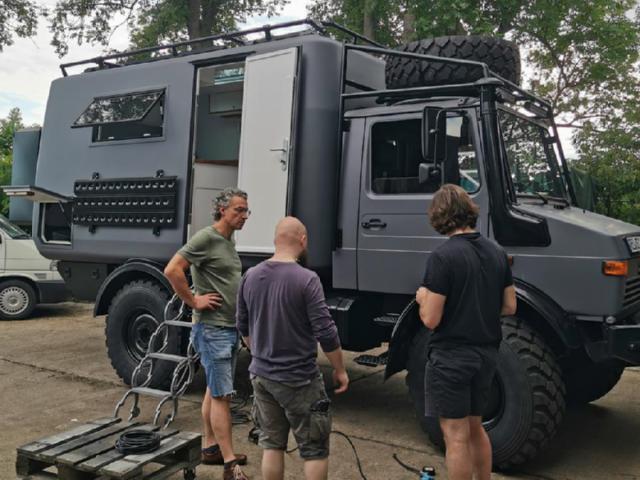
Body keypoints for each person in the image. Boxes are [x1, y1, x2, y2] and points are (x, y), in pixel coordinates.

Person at [415, 184, 516, 480]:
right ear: (468, 211)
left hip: (452, 358)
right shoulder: (497, 252)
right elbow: (509, 306)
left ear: (439, 215)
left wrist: (422, 298)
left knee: (455, 435)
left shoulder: (443, 257)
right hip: (487, 354)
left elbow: (431, 319)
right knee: (475, 427)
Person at [236, 217, 349, 480]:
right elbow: (326, 332)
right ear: (303, 240)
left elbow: (242, 326)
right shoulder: (307, 279)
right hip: (299, 379)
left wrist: (261, 353)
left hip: (261, 376)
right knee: (314, 449)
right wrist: (340, 369)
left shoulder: (250, 276)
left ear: (275, 240)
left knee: (271, 444)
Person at [164, 187, 251, 480]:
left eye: (246, 210)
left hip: (227, 327)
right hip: (213, 329)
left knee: (214, 391)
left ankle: (211, 448)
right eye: (239, 210)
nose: (244, 216)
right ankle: (229, 464)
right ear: (222, 210)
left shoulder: (227, 241)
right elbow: (173, 269)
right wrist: (194, 300)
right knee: (223, 396)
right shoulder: (206, 237)